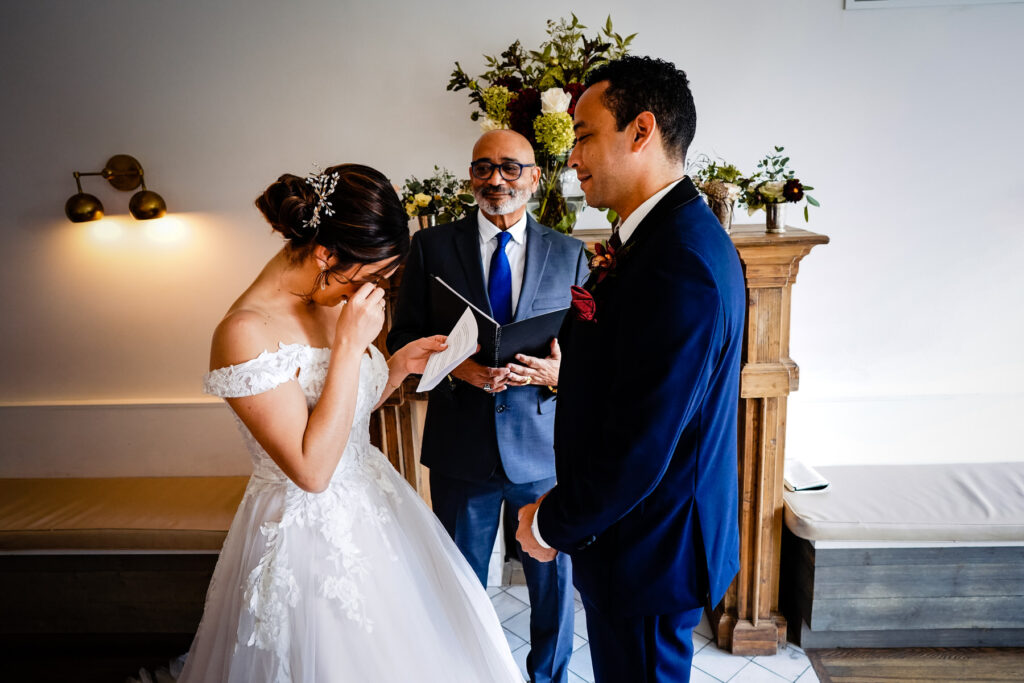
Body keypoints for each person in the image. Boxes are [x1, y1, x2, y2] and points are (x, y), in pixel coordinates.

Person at [177, 164, 523, 683]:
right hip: (307, 534)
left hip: (376, 502)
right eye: (371, 275)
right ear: (325, 255)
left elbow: (343, 416)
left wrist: (397, 366)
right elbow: (312, 469)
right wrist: (347, 346)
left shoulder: (327, 298)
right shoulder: (244, 332)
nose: (374, 288)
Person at [515, 56, 745, 683]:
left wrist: (555, 522)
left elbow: (645, 442)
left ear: (641, 130)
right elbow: (647, 381)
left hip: (647, 544)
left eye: (585, 135)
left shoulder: (680, 261)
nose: (571, 158)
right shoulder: (658, 237)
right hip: (639, 534)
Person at [387, 130, 588, 683]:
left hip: (544, 448)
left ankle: (550, 678)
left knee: (552, 587)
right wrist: (458, 368)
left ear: (535, 177)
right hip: (460, 447)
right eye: (482, 167)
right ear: (469, 176)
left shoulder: (571, 254)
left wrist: (558, 373)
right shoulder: (429, 248)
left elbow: (593, 354)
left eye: (510, 167)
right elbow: (401, 337)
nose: (495, 179)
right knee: (460, 585)